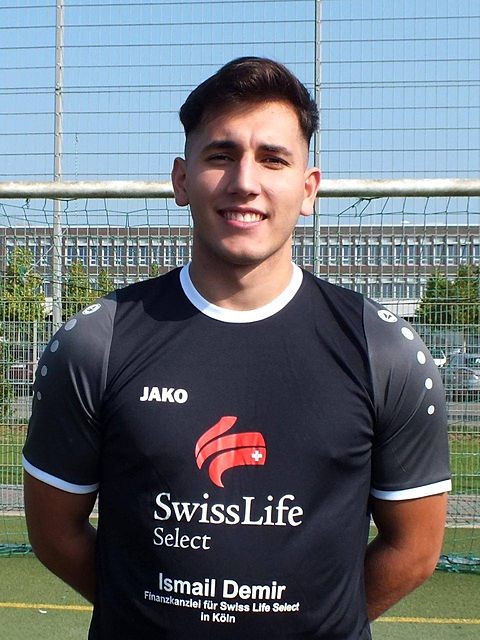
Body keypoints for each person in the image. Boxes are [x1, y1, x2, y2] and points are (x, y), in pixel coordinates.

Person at [23, 57, 450, 640]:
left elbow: (415, 549)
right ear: (181, 180)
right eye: (221, 155)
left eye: (273, 159)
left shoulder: (384, 350)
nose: (245, 181)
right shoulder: (95, 343)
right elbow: (54, 534)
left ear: (308, 189)